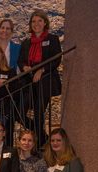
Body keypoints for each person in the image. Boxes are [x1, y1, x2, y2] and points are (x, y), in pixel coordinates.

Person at [18, 9, 62, 148]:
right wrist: (24, 67)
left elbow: (56, 60)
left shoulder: (52, 39)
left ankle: (38, 146)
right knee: (19, 111)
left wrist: (41, 70)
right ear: (31, 24)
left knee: (38, 113)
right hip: (29, 82)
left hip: (45, 82)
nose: (36, 24)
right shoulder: (26, 42)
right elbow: (21, 61)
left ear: (45, 23)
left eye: (39, 21)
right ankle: (42, 136)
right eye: (33, 21)